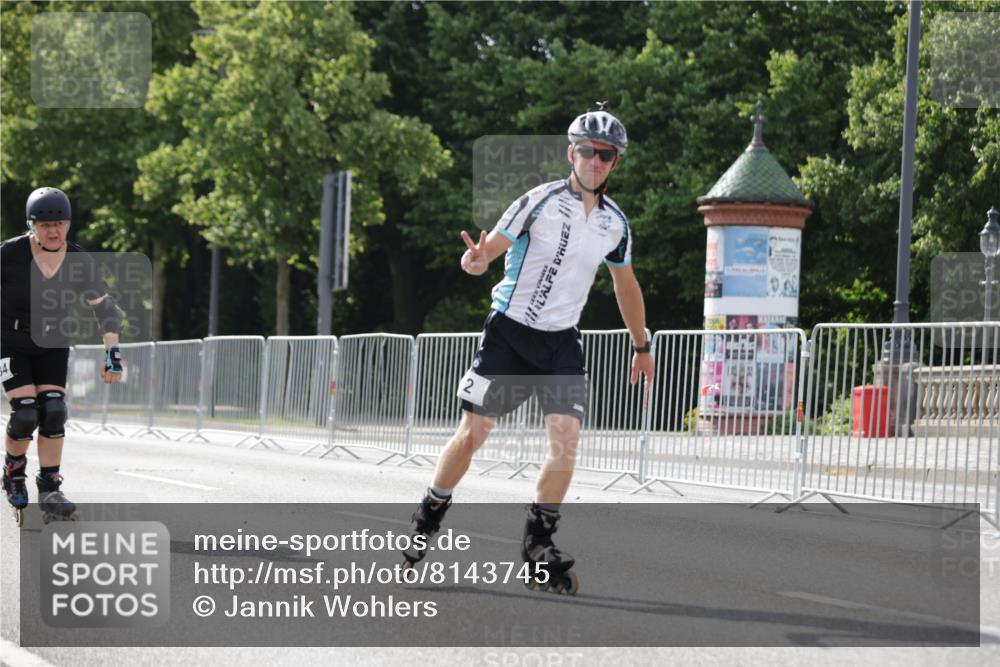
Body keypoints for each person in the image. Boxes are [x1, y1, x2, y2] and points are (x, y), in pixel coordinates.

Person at [402, 104, 654, 594]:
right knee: (474, 434)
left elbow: (627, 286)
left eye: (607, 155)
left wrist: (641, 345)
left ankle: (539, 545)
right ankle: (429, 514)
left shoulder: (615, 224)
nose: (596, 161)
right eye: (588, 151)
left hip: (562, 342)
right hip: (509, 334)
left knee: (565, 442)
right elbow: (487, 252)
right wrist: (473, 261)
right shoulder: (537, 201)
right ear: (571, 153)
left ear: (615, 163)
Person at [1, 187, 125, 526]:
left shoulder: (79, 261)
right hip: (10, 340)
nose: (53, 231)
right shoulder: (9, 254)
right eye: (44, 224)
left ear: (68, 224)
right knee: (26, 413)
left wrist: (112, 353)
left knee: (54, 411)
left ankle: (50, 487)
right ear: (32, 225)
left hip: (53, 341)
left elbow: (106, 311)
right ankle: (13, 472)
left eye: (59, 224)